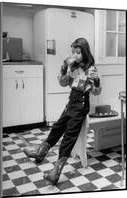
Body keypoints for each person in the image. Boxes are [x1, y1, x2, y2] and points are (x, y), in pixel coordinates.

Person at [23, 38, 101, 185]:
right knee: (57, 127)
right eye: (73, 52)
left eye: (78, 52)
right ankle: (41, 152)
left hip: (81, 105)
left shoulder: (91, 69)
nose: (75, 55)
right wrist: (64, 67)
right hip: (71, 103)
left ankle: (56, 172)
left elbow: (96, 92)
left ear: (85, 53)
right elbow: (63, 83)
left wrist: (96, 82)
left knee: (69, 136)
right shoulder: (74, 67)